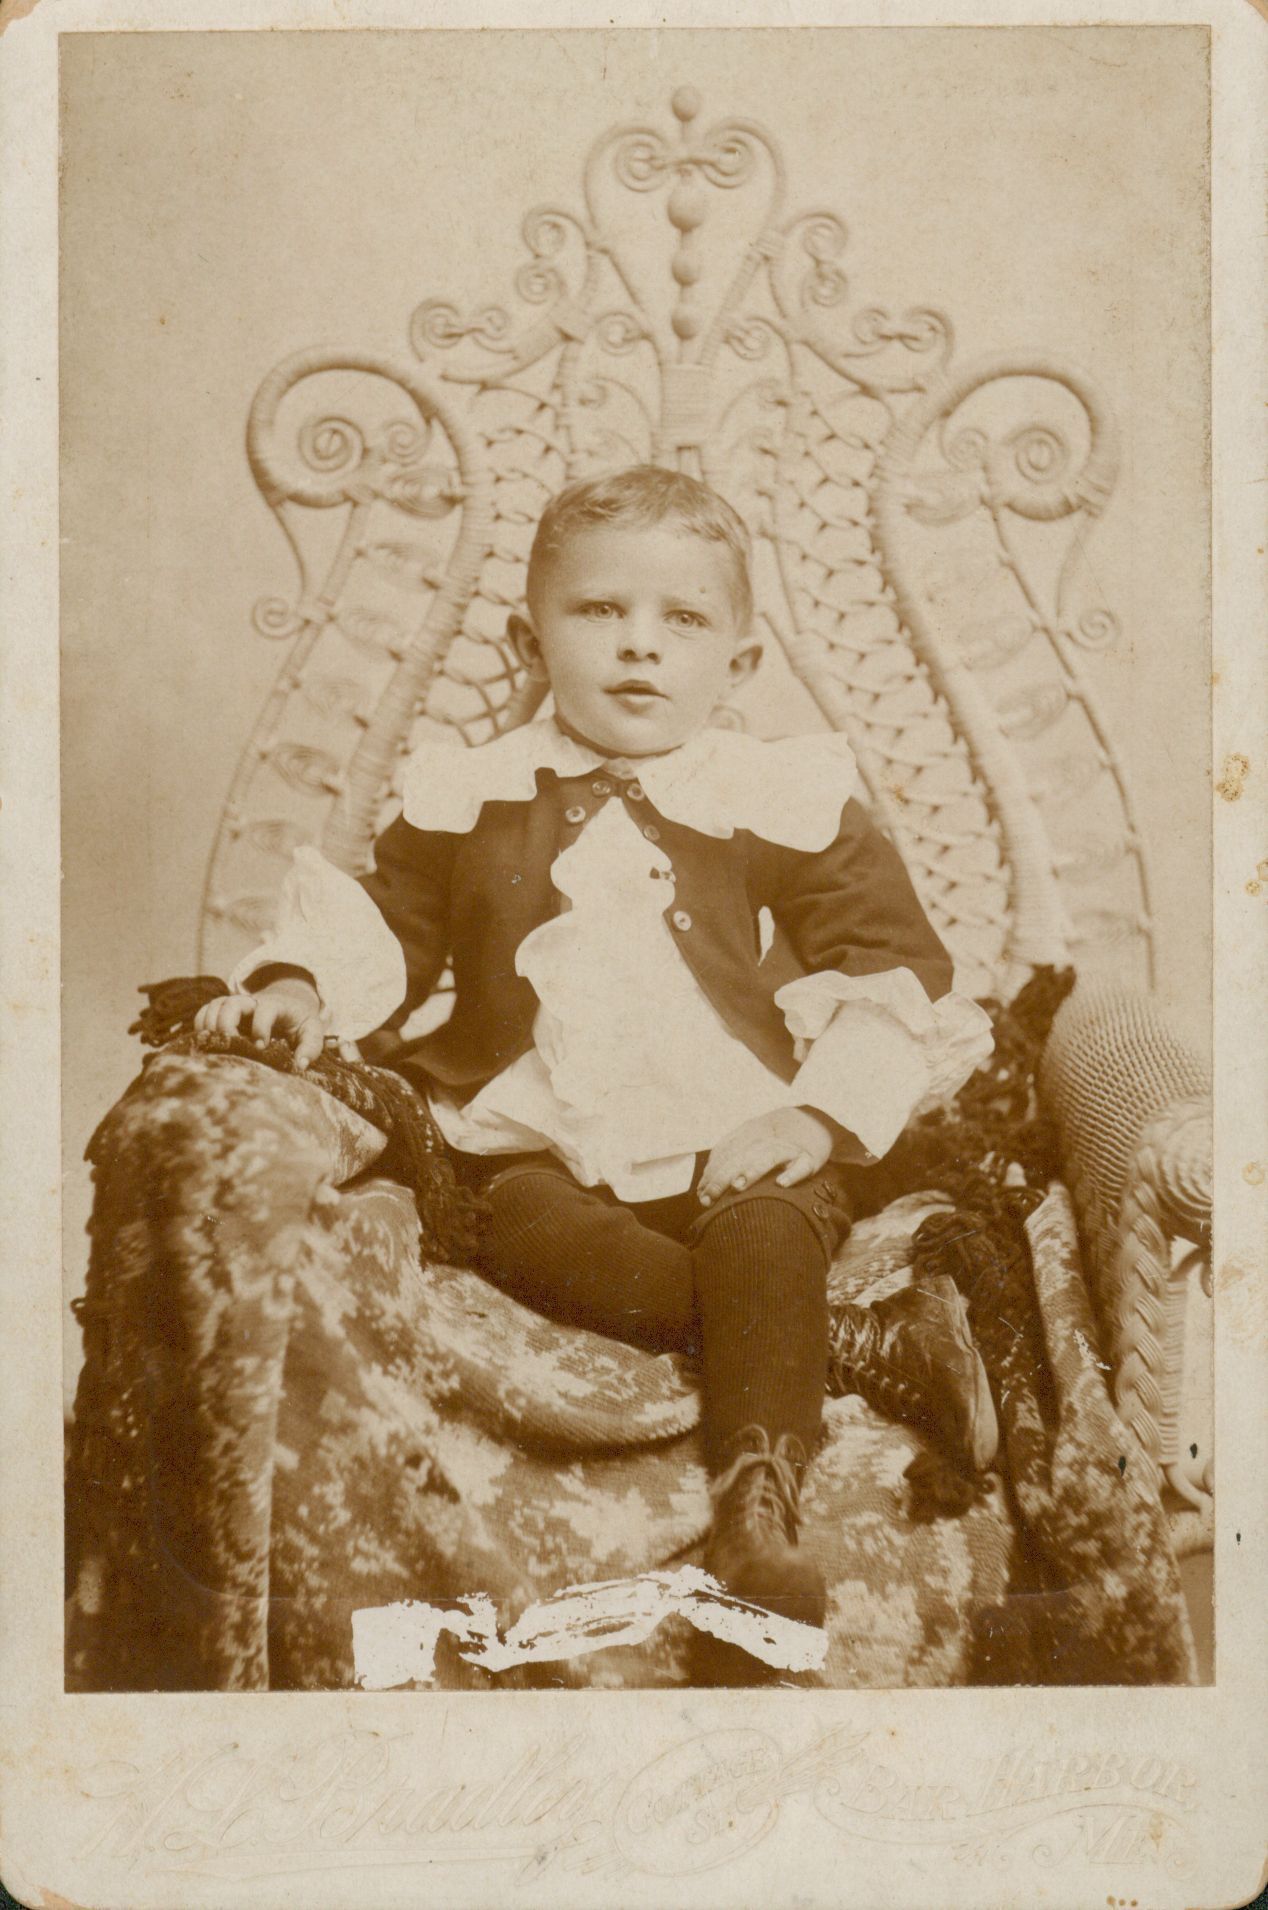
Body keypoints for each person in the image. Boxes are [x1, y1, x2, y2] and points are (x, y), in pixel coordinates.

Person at [195, 465, 997, 1648]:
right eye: (599, 610)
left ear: (739, 663)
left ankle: (755, 1511)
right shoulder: (473, 793)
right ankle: (862, 1345)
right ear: (530, 641)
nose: (639, 645)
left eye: (682, 620)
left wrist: (814, 1118)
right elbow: (390, 927)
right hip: (539, 1134)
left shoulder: (779, 794)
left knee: (767, 1230)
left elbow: (887, 961)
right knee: (524, 1229)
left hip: (738, 1124)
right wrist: (298, 982)